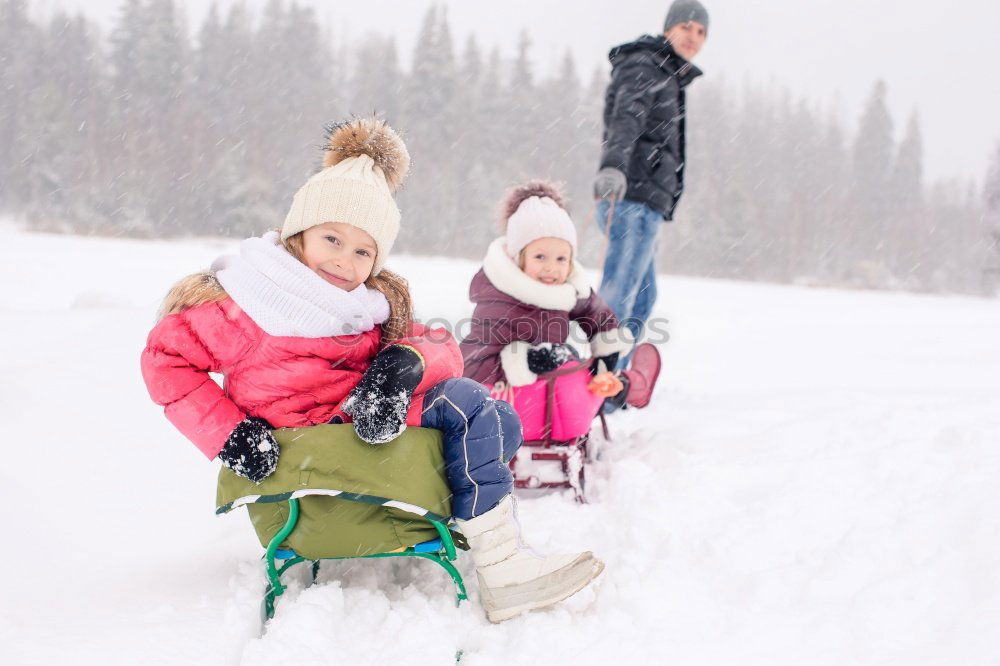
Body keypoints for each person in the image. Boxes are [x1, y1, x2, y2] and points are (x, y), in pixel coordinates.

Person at [139, 118, 603, 623]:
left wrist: (399, 367)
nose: (345, 261)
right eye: (332, 239)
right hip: (299, 459)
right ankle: (502, 565)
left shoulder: (366, 306)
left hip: (355, 432)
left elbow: (442, 345)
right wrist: (231, 433)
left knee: (494, 419)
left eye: (364, 251)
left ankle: (501, 558)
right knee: (473, 410)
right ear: (299, 233)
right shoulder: (248, 300)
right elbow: (166, 361)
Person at [460, 180, 662, 428]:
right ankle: (628, 385)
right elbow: (472, 364)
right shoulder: (499, 299)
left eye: (561, 258)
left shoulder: (565, 288)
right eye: (540, 257)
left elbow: (594, 312)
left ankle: (621, 385)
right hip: (508, 406)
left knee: (580, 369)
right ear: (517, 258)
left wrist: (606, 351)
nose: (551, 268)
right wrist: (526, 359)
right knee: (572, 370)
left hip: (548, 395)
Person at [593, 0, 708, 359]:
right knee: (621, 293)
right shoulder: (646, 64)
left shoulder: (669, 74)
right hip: (631, 195)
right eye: (686, 27)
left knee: (642, 296)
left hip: (648, 200)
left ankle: (617, 377)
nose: (693, 37)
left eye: (701, 32)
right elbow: (626, 116)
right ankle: (602, 379)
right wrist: (613, 166)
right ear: (669, 27)